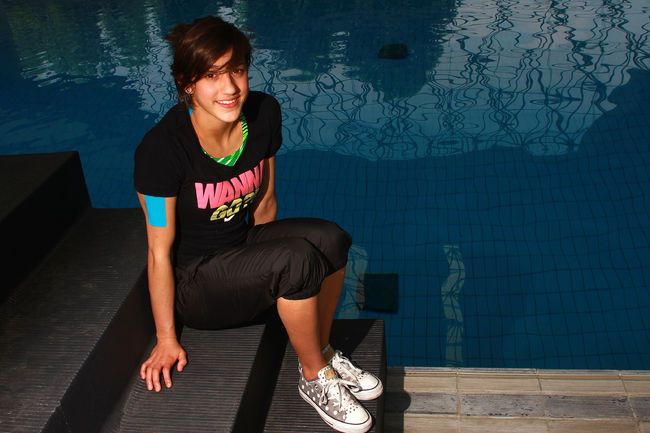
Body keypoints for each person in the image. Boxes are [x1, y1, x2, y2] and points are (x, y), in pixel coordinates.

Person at [133, 16, 382, 433]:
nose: (230, 87)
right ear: (187, 83)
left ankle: (321, 349)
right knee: (296, 260)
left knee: (332, 239)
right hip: (196, 284)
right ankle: (314, 378)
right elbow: (158, 252)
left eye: (237, 70)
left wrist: (274, 276)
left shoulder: (264, 114)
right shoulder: (162, 150)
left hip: (240, 246)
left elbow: (265, 200)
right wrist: (166, 338)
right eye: (212, 75)